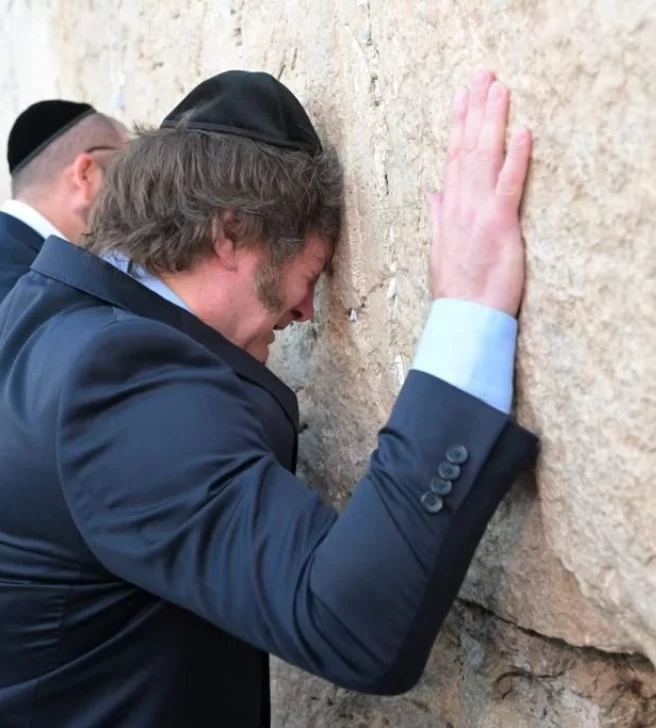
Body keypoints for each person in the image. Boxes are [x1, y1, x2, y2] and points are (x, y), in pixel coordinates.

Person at [0, 69, 539, 726]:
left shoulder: (40, 314)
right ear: (229, 232)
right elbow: (353, 625)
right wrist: (469, 309)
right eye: (307, 275)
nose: (307, 309)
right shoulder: (113, 382)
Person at [0, 100, 128, 301]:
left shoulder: (25, 264)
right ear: (85, 175)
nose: (135, 195)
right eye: (126, 174)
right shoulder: (27, 286)